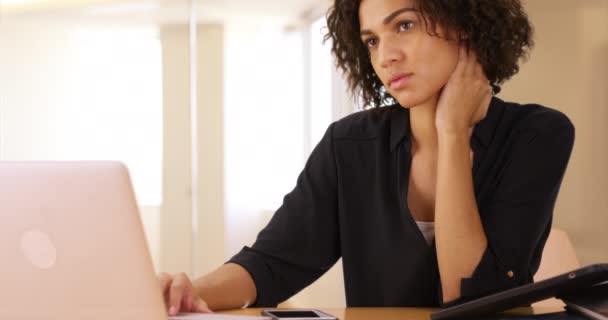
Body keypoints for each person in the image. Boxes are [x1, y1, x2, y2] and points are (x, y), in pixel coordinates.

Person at [158, 0, 575, 315]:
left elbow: (471, 298)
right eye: (372, 40)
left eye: (405, 25)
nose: (385, 56)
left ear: (464, 24)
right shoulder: (350, 143)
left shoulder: (538, 134)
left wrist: (450, 134)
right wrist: (190, 291)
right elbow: (272, 264)